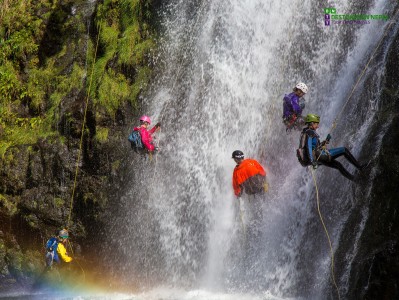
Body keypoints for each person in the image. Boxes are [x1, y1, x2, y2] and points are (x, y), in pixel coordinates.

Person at [297, 113, 366, 181]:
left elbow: (313, 147)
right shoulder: (310, 133)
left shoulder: (304, 133)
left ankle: (355, 180)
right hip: (319, 157)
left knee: (338, 165)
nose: (317, 126)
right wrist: (313, 162)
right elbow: (309, 148)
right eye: (316, 124)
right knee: (344, 150)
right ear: (311, 123)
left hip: (317, 159)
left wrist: (325, 142)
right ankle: (360, 168)